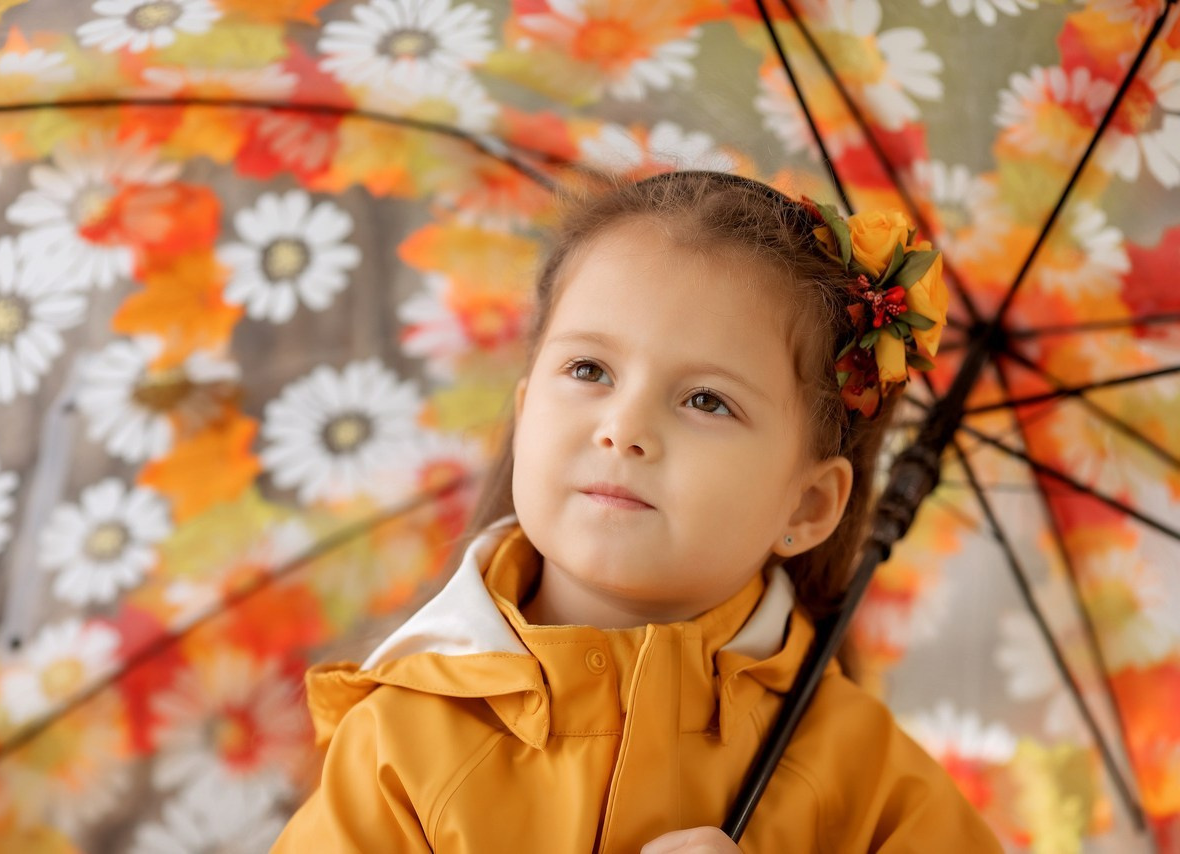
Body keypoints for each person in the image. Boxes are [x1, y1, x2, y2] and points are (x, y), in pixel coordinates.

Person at [272, 171, 999, 852]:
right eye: (589, 370)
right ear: (525, 415)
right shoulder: (404, 746)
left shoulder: (864, 778)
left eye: (706, 400)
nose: (623, 428)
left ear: (808, 504)